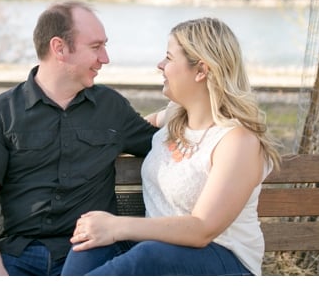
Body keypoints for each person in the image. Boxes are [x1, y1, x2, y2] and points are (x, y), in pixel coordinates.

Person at [61, 17, 281, 276]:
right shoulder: (174, 117)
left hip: (224, 260)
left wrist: (117, 226)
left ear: (201, 70)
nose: (160, 65)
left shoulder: (237, 142)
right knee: (89, 243)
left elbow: (202, 229)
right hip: (157, 254)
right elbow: (132, 128)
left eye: (168, 58)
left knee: (146, 254)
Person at [0, 1, 158, 276]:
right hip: (18, 256)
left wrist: (170, 115)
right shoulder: (0, 113)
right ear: (59, 48)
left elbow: (164, 144)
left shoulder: (111, 108)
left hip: (90, 253)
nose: (105, 58)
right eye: (95, 47)